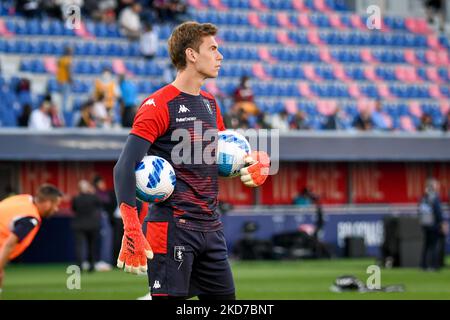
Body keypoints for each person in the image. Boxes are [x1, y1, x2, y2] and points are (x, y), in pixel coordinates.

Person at [113, 21, 270, 300]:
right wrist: (132, 226)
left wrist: (255, 162)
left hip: (211, 227)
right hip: (172, 227)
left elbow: (219, 161)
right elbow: (124, 167)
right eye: (213, 48)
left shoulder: (210, 103)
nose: (220, 56)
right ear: (191, 54)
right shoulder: (158, 105)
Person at [0, 184, 63, 292]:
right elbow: (10, 244)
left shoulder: (24, 198)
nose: (56, 209)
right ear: (48, 203)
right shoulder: (30, 218)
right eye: (56, 205)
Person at [71, 180, 102, 272]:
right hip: (92, 224)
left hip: (79, 224)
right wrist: (93, 193)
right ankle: (91, 265)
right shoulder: (93, 197)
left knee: (79, 246)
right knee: (91, 245)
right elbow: (101, 203)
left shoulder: (76, 198)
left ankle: (79, 265)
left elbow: (74, 209)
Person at [418, 178, 444, 271]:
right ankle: (433, 265)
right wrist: (441, 223)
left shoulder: (424, 197)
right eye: (436, 185)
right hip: (433, 225)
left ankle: (423, 265)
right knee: (433, 246)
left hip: (425, 224)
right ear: (433, 186)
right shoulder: (434, 197)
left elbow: (420, 211)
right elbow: (438, 212)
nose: (438, 187)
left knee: (426, 245)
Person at [93, 175, 116, 270]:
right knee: (103, 240)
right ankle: (103, 261)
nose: (103, 185)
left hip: (107, 218)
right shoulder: (96, 194)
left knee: (108, 239)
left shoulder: (106, 193)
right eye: (101, 183)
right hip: (99, 219)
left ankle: (105, 261)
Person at [56, 46, 73, 115]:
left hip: (60, 80)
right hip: (66, 80)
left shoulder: (61, 59)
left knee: (62, 97)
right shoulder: (68, 59)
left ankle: (60, 111)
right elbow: (68, 69)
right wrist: (71, 79)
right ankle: (63, 113)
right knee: (65, 98)